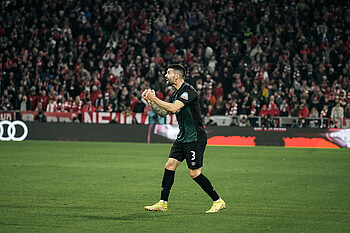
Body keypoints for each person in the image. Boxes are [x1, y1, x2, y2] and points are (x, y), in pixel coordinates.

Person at [142, 64, 225, 213]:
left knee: (194, 173)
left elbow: (174, 108)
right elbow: (163, 112)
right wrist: (151, 102)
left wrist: (154, 97)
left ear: (177, 76)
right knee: (169, 166)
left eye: (168, 73)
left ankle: (218, 201)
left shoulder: (188, 91)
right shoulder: (176, 94)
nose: (166, 75)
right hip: (183, 136)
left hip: (195, 137)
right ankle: (162, 203)